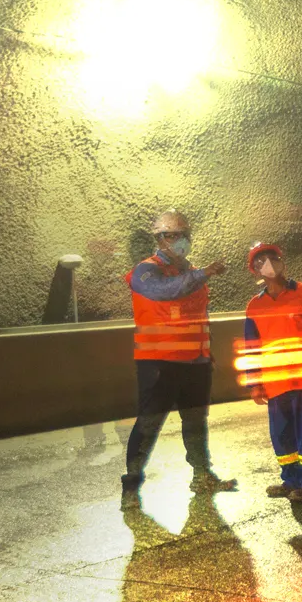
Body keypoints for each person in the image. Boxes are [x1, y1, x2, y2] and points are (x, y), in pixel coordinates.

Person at [123, 210, 235, 499]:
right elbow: (165, 292)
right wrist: (204, 273)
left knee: (196, 421)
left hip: (196, 363)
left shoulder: (191, 271)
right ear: (160, 240)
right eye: (173, 235)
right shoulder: (145, 271)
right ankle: (132, 483)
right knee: (149, 423)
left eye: (184, 235)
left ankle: (202, 475)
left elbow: (197, 314)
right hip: (160, 364)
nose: (181, 240)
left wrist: (206, 355)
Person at [241, 242, 302, 501]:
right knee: (281, 434)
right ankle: (291, 481)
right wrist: (254, 382)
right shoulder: (254, 307)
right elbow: (252, 348)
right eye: (260, 261)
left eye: (272, 258)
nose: (268, 264)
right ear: (254, 270)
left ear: (283, 261)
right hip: (275, 382)